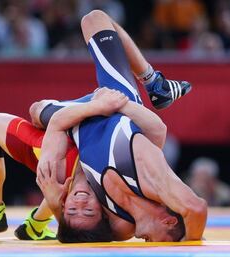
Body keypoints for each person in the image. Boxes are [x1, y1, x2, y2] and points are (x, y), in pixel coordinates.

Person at [32, 10, 207, 242]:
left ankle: (155, 83)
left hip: (80, 117)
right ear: (169, 221)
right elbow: (196, 208)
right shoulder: (154, 183)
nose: (148, 243)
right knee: (94, 20)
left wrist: (55, 205)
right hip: (116, 102)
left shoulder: (120, 226)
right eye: (158, 242)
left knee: (36, 110)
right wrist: (192, 245)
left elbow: (76, 232)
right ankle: (154, 81)